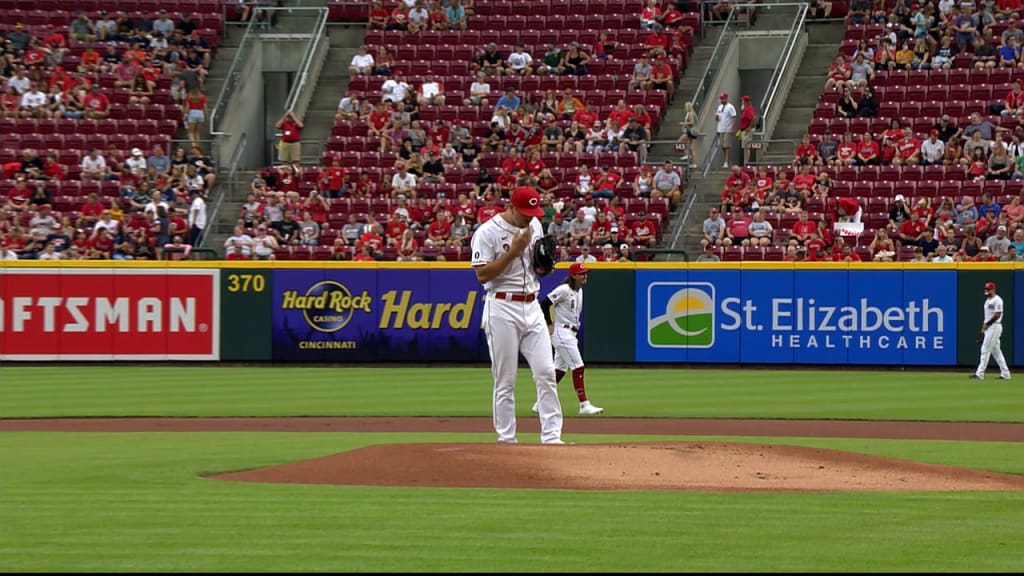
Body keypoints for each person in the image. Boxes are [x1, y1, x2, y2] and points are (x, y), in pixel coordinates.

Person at [471, 186, 564, 444]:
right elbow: (482, 275)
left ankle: (552, 436)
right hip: (501, 306)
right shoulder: (486, 232)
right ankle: (507, 438)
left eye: (532, 212)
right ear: (510, 207)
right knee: (505, 379)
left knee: (546, 371)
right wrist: (513, 251)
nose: (528, 217)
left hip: (531, 304)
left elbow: (537, 267)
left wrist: (545, 267)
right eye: (524, 212)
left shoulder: (535, 224)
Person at [532, 262, 603, 416]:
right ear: (573, 275)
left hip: (571, 333)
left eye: (585, 273)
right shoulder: (564, 289)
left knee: (559, 371)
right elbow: (544, 304)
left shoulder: (579, 290)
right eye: (581, 273)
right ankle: (584, 404)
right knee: (578, 367)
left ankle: (540, 403)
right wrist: (549, 324)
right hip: (562, 332)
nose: (585, 276)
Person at [971, 281, 1012, 380]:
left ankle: (980, 374)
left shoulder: (997, 300)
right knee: (997, 352)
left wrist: (987, 324)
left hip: (994, 326)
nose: (987, 290)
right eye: (986, 289)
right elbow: (987, 316)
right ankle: (1006, 373)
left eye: (989, 289)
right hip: (989, 327)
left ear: (993, 289)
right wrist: (983, 328)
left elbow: (997, 314)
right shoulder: (987, 300)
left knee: (985, 349)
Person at [715, 92, 737, 168]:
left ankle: (726, 162)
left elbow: (734, 117)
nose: (721, 100)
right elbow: (717, 117)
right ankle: (727, 160)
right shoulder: (719, 107)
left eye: (723, 98)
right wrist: (716, 118)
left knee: (726, 146)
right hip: (720, 128)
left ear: (726, 98)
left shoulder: (730, 107)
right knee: (722, 146)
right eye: (721, 99)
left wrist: (732, 128)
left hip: (727, 128)